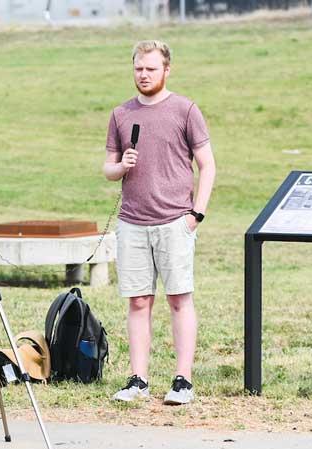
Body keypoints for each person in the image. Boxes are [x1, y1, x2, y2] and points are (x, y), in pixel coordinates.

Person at [103, 40, 216, 405]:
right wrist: (122, 167)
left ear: (167, 69)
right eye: (139, 68)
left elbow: (207, 165)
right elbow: (108, 167)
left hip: (174, 221)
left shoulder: (185, 110)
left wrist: (195, 213)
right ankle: (138, 379)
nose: (144, 74)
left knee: (179, 298)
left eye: (151, 68)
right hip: (132, 222)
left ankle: (183, 380)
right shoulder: (121, 114)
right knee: (138, 301)